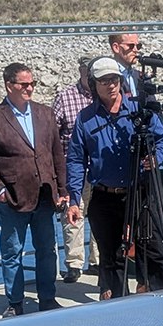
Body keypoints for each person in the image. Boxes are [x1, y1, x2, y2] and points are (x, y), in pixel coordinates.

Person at [68, 57, 163, 298]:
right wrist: (74, 199)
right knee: (111, 256)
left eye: (114, 79)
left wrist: (156, 158)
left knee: (154, 250)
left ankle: (160, 301)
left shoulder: (138, 110)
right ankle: (117, 304)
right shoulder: (85, 118)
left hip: (141, 191)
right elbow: (75, 160)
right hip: (105, 196)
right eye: (104, 81)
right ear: (94, 84)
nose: (111, 85)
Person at [0, 63, 69, 316]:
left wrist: (62, 189)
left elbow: (57, 155)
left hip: (45, 196)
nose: (30, 88)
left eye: (32, 84)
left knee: (47, 250)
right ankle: (15, 302)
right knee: (12, 252)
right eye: (24, 84)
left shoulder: (45, 114)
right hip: (12, 199)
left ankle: (47, 298)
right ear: (9, 86)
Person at [53, 57, 95, 283]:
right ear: (81, 71)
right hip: (73, 168)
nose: (91, 76)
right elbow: (52, 135)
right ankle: (74, 264)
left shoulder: (104, 96)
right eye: (89, 71)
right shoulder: (65, 97)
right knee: (73, 215)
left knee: (101, 216)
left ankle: (98, 261)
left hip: (100, 168)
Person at [108, 31, 142, 96]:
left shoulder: (140, 77)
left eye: (138, 46)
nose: (136, 50)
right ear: (116, 48)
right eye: (131, 46)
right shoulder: (108, 78)